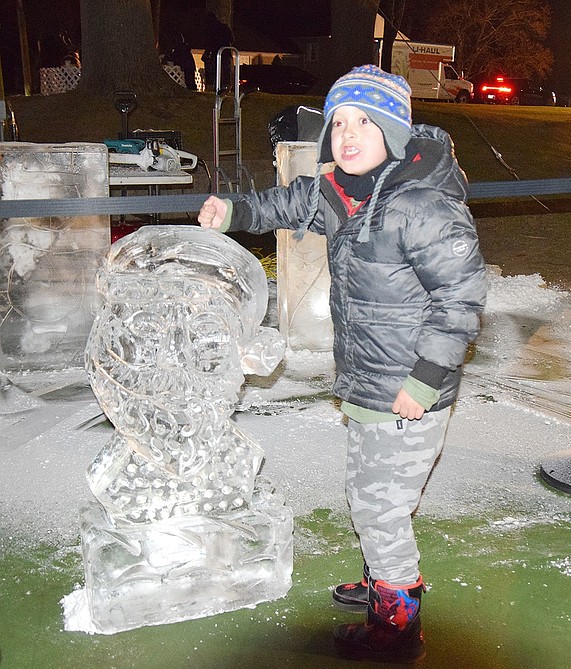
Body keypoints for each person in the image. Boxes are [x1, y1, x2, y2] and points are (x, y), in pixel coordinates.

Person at [198, 64, 487, 663]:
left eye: (365, 122)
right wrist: (232, 211)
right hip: (365, 378)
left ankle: (398, 624)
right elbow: (287, 201)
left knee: (381, 504)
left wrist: (426, 380)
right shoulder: (339, 190)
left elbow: (459, 299)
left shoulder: (423, 204)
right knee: (367, 488)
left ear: (395, 133)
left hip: (410, 387)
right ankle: (383, 576)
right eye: (338, 124)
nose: (347, 136)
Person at [201, 11, 234, 92]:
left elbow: (208, 43)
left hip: (216, 53)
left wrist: (207, 53)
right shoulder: (224, 27)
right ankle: (226, 87)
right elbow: (232, 38)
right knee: (226, 70)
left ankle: (216, 86)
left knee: (215, 70)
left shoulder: (209, 29)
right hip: (226, 52)